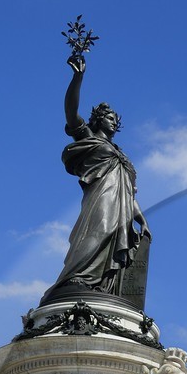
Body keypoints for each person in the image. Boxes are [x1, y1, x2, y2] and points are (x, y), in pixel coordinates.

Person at [37, 49, 151, 305]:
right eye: (109, 118)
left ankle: (101, 286)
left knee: (112, 241)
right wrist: (77, 79)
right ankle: (76, 279)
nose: (113, 122)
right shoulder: (89, 137)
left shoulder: (122, 155)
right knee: (96, 233)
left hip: (121, 205)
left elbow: (129, 191)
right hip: (101, 199)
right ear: (99, 120)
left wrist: (140, 217)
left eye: (114, 119)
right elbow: (70, 112)